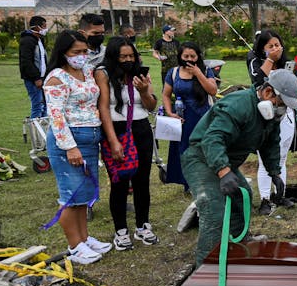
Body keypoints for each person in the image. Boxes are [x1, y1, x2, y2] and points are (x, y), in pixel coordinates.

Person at [181, 69, 297, 265]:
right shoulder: (238, 105)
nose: (282, 110)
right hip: (201, 157)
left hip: (224, 158)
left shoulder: (269, 115)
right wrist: (224, 172)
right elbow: (213, 139)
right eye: (281, 104)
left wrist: (274, 173)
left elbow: (271, 142)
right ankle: (206, 268)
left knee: (242, 194)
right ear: (268, 92)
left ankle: (240, 241)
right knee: (214, 209)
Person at [43, 30, 112, 264]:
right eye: (76, 52)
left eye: (85, 51)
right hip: (69, 140)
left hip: (90, 136)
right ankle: (74, 246)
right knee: (70, 196)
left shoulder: (86, 72)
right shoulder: (56, 78)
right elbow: (56, 116)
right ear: (64, 52)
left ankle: (84, 238)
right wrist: (70, 147)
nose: (82, 56)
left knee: (83, 194)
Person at [96, 37, 159, 251]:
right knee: (120, 182)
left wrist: (143, 90)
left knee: (142, 181)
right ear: (114, 56)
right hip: (116, 130)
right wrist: (113, 141)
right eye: (123, 56)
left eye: (131, 56)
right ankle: (121, 231)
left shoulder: (140, 73)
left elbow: (151, 105)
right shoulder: (103, 73)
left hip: (140, 128)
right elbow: (104, 108)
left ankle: (143, 225)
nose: (128, 60)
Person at [247, 29, 297, 215]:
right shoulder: (256, 61)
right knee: (266, 160)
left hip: (286, 116)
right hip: (266, 115)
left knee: (281, 159)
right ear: (262, 48)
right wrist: (270, 60)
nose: (275, 48)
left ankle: (279, 194)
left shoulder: (290, 65)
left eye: (277, 45)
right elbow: (258, 82)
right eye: (270, 46)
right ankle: (265, 198)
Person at [162, 42, 217, 191]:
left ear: (198, 57)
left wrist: (198, 74)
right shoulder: (173, 72)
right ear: (180, 56)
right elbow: (166, 95)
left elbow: (212, 90)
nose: (189, 59)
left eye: (193, 56)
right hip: (181, 118)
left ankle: (204, 181)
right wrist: (169, 112)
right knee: (183, 150)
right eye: (185, 56)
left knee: (201, 149)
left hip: (201, 117)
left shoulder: (206, 71)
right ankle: (188, 183)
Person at [19, 15, 48, 118]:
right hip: (33, 79)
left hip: (42, 77)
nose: (45, 29)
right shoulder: (27, 40)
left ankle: (44, 130)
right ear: (37, 27)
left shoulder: (40, 40)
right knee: (37, 106)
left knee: (46, 106)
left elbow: (42, 60)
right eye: (44, 26)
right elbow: (26, 61)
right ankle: (35, 131)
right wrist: (36, 78)